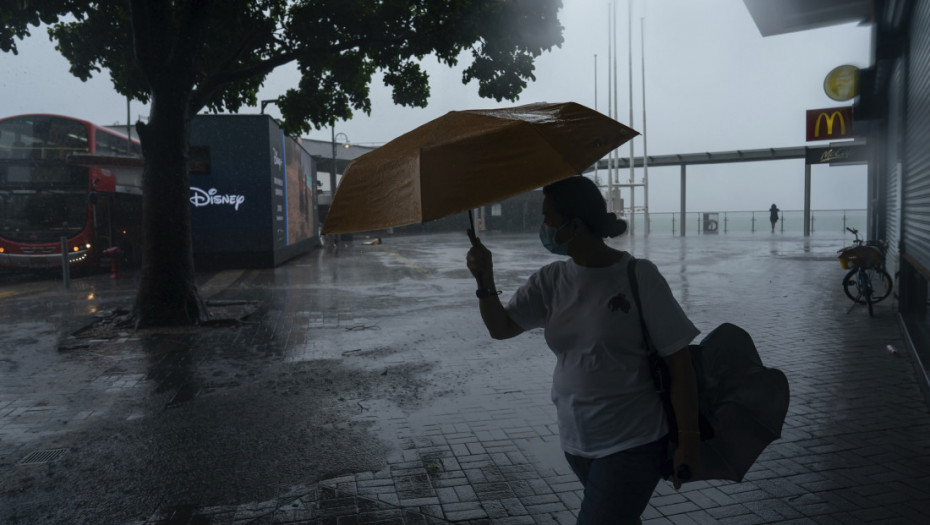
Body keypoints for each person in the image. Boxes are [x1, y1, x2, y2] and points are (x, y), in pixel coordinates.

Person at [466, 176, 702, 525]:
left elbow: (679, 365)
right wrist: (484, 278)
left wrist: (689, 441)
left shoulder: (639, 276)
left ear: (574, 226)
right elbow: (501, 328)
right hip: (577, 441)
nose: (543, 227)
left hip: (633, 440)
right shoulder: (551, 280)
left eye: (548, 218)